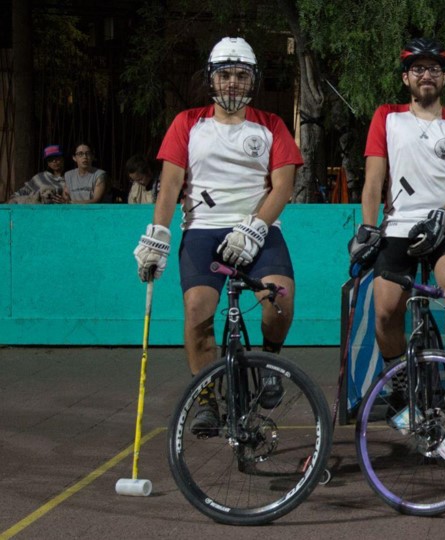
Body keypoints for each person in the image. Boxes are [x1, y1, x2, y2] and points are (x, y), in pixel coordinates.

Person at [133, 36, 303, 436]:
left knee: (279, 300)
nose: (232, 83)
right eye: (224, 75)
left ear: (252, 81)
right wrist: (158, 235)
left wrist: (255, 226)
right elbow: (171, 184)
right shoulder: (188, 123)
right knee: (197, 313)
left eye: (240, 76)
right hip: (204, 230)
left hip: (258, 229)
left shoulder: (271, 125)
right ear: (212, 79)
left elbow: (282, 187)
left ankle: (270, 362)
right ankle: (207, 394)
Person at [348, 37, 445, 398]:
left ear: (444, 78)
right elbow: (373, 181)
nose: (426, 75)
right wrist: (368, 226)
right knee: (386, 309)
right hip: (399, 225)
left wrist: (443, 217)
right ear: (406, 78)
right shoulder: (386, 117)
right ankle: (399, 379)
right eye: (418, 69)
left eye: (434, 69)